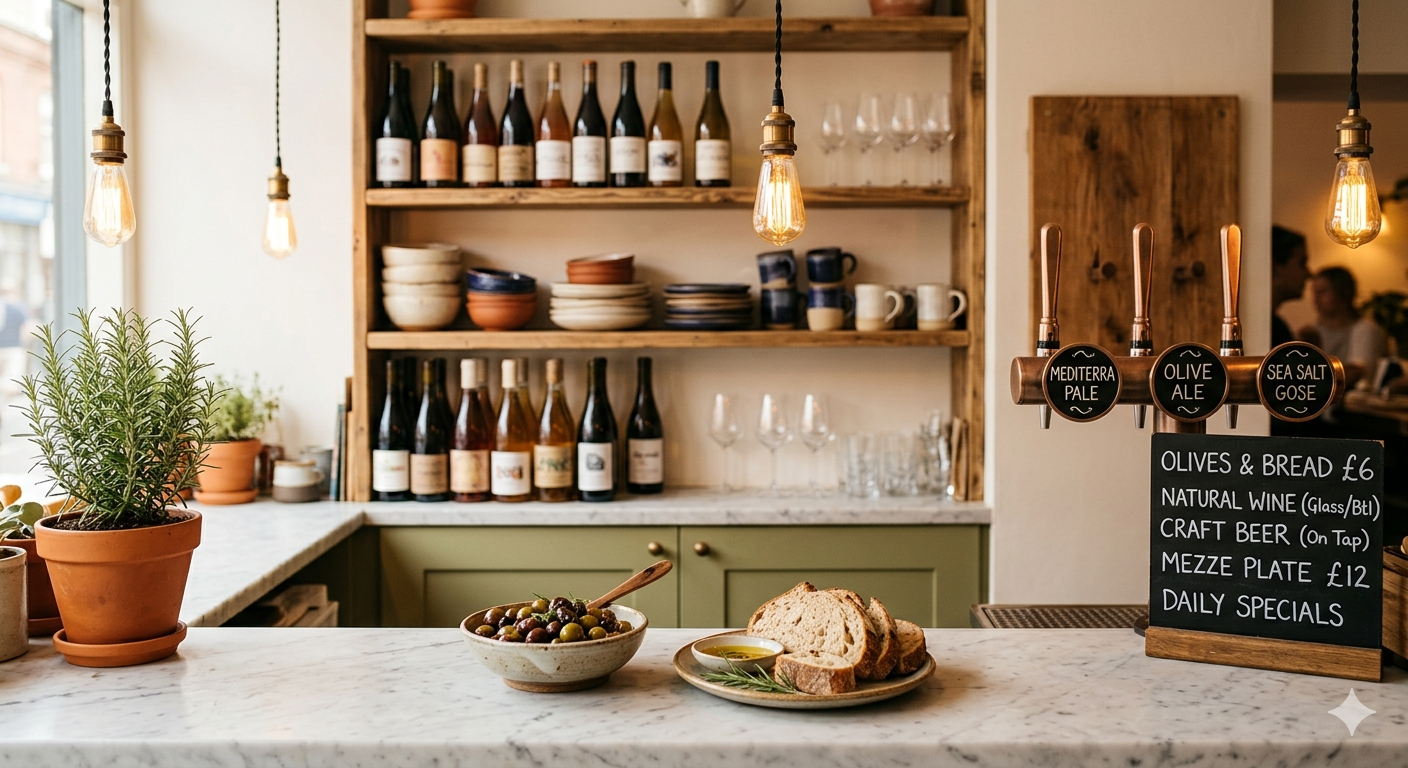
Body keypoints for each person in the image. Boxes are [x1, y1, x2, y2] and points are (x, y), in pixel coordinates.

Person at [1299, 266, 1387, 389]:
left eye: (1322, 292)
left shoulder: (1366, 330)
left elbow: (1357, 374)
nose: (1316, 299)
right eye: (1314, 293)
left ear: (1344, 293)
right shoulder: (1313, 332)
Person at [1271, 226, 1310, 348]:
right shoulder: (1272, 329)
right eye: (1301, 263)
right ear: (1275, 267)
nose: (1309, 274)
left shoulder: (1277, 327)